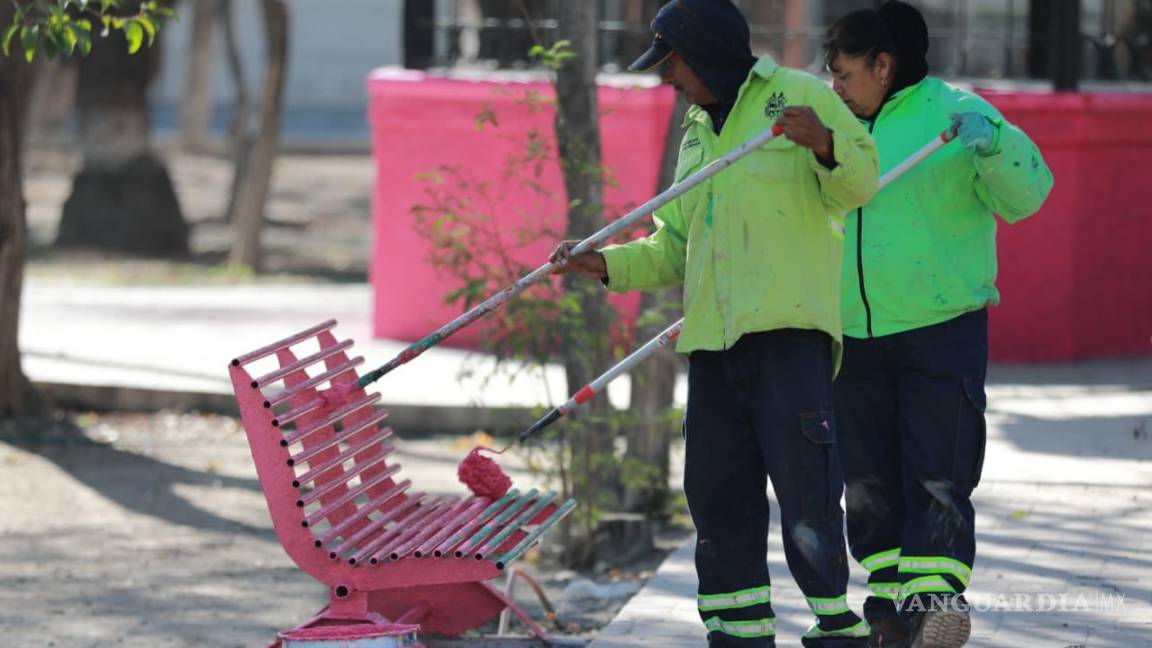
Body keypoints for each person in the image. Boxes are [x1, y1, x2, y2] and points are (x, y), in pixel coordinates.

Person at [552, 1, 879, 646]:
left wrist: (826, 142)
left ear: (703, 53)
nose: (665, 78)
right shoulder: (697, 130)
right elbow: (673, 246)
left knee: (807, 496)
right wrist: (603, 264)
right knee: (717, 498)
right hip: (712, 342)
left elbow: (863, 181)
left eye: (670, 63)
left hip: (788, 336)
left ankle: (836, 628)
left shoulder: (801, 96)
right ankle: (737, 631)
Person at [823, 3, 1054, 647]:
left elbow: (1029, 195)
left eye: (844, 72)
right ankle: (894, 614)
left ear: (883, 64)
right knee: (867, 486)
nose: (834, 85)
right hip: (852, 335)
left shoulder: (955, 116)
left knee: (937, 471)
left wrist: (998, 146)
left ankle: (936, 603)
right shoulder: (832, 126)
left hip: (939, 328)